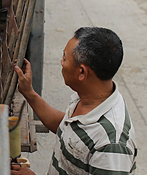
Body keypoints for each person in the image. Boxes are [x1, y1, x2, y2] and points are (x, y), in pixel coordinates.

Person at [11, 27, 137, 174]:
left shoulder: (111, 145)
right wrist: (29, 93)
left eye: (65, 58)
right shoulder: (90, 96)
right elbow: (67, 129)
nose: (61, 62)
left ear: (82, 72)